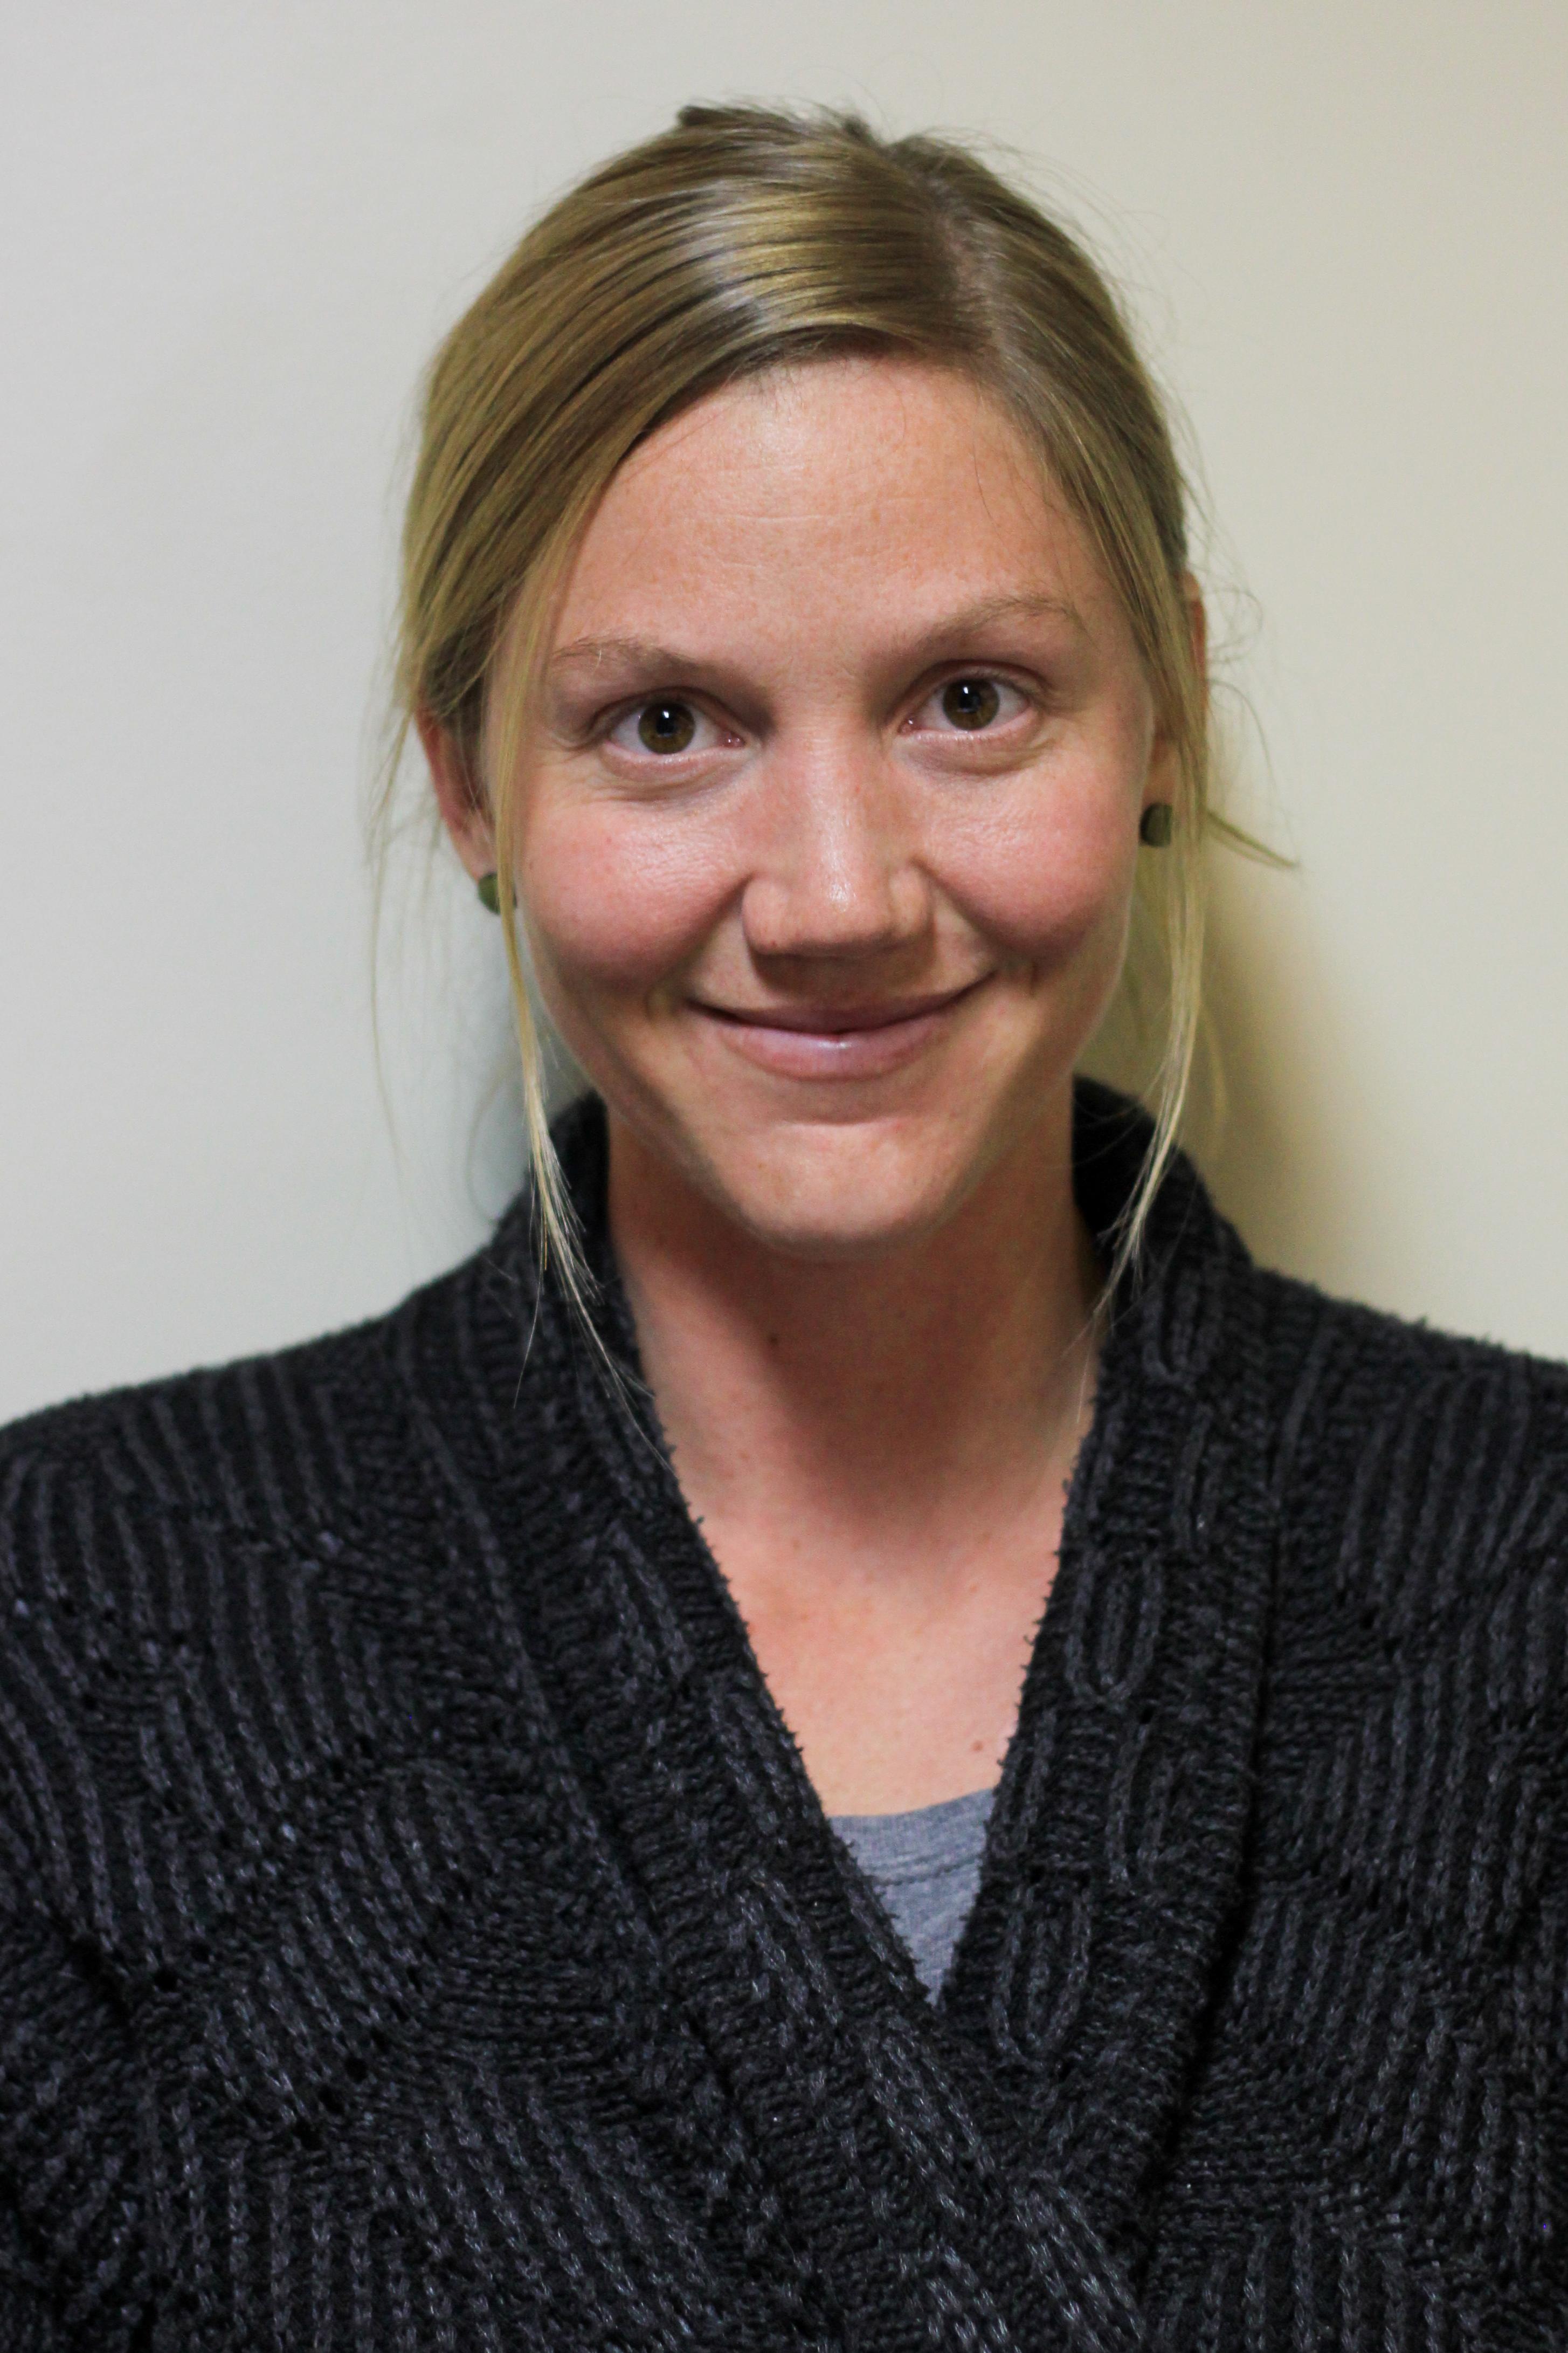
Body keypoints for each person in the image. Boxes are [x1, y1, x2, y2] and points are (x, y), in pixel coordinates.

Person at [1, 102, 1563, 2353]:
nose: (836, 896)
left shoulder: (1522, 1577)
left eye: (966, 700)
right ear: (468, 782)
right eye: (663, 723)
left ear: (1164, 708)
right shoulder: (72, 1637)